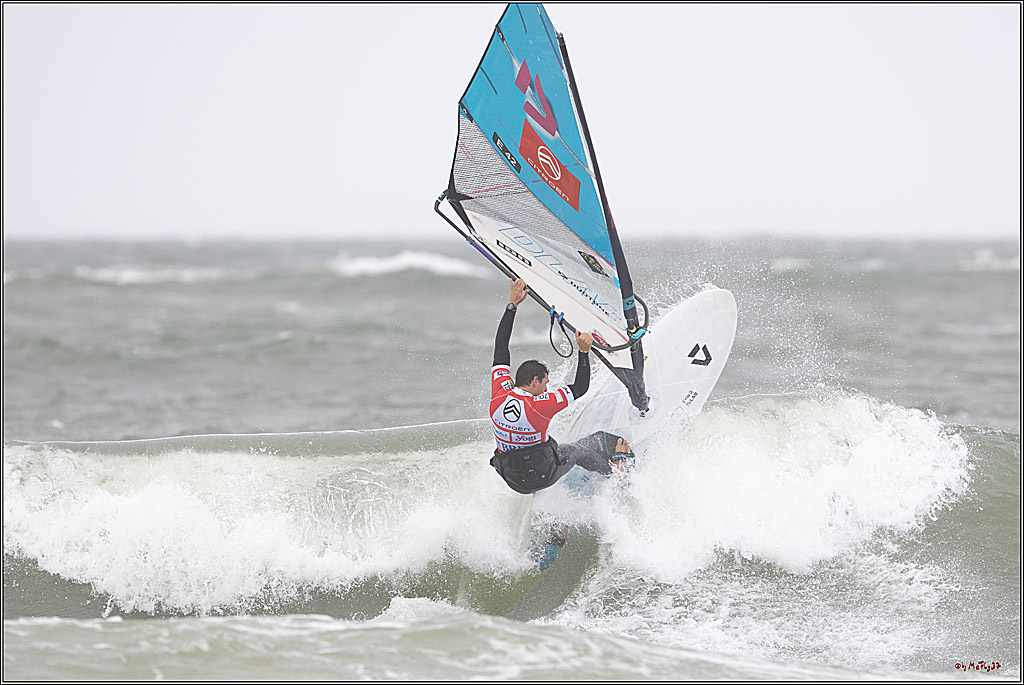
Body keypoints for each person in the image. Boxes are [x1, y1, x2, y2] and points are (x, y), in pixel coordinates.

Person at [489, 278, 633, 496]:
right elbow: (580, 387)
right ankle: (618, 472)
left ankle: (536, 487)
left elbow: (501, 347)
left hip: (513, 480)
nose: (547, 389)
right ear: (535, 381)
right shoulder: (539, 406)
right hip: (543, 475)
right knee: (577, 450)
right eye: (545, 383)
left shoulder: (500, 393)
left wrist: (512, 305)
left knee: (535, 451)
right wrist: (583, 351)